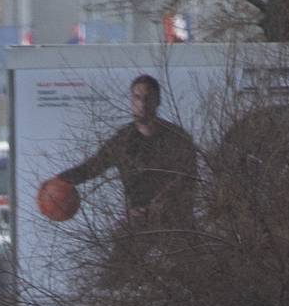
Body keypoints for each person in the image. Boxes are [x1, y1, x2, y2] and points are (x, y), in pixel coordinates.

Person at [50, 73, 198, 231]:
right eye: (137, 98)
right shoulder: (123, 141)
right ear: (131, 101)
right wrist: (60, 180)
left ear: (158, 101)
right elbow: (91, 167)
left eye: (148, 98)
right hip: (137, 223)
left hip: (175, 223)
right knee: (119, 253)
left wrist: (157, 208)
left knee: (193, 253)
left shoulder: (178, 139)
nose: (142, 104)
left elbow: (188, 180)